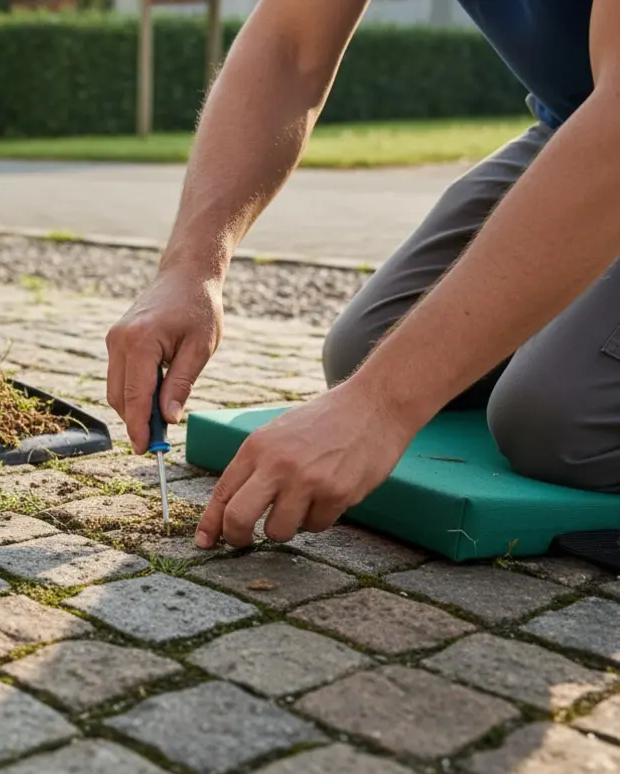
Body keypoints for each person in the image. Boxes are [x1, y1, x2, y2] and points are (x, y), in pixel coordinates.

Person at [105, 0, 620, 551]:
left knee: (559, 422)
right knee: (363, 351)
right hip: (572, 122)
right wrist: (192, 267)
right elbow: (290, 45)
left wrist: (380, 405)